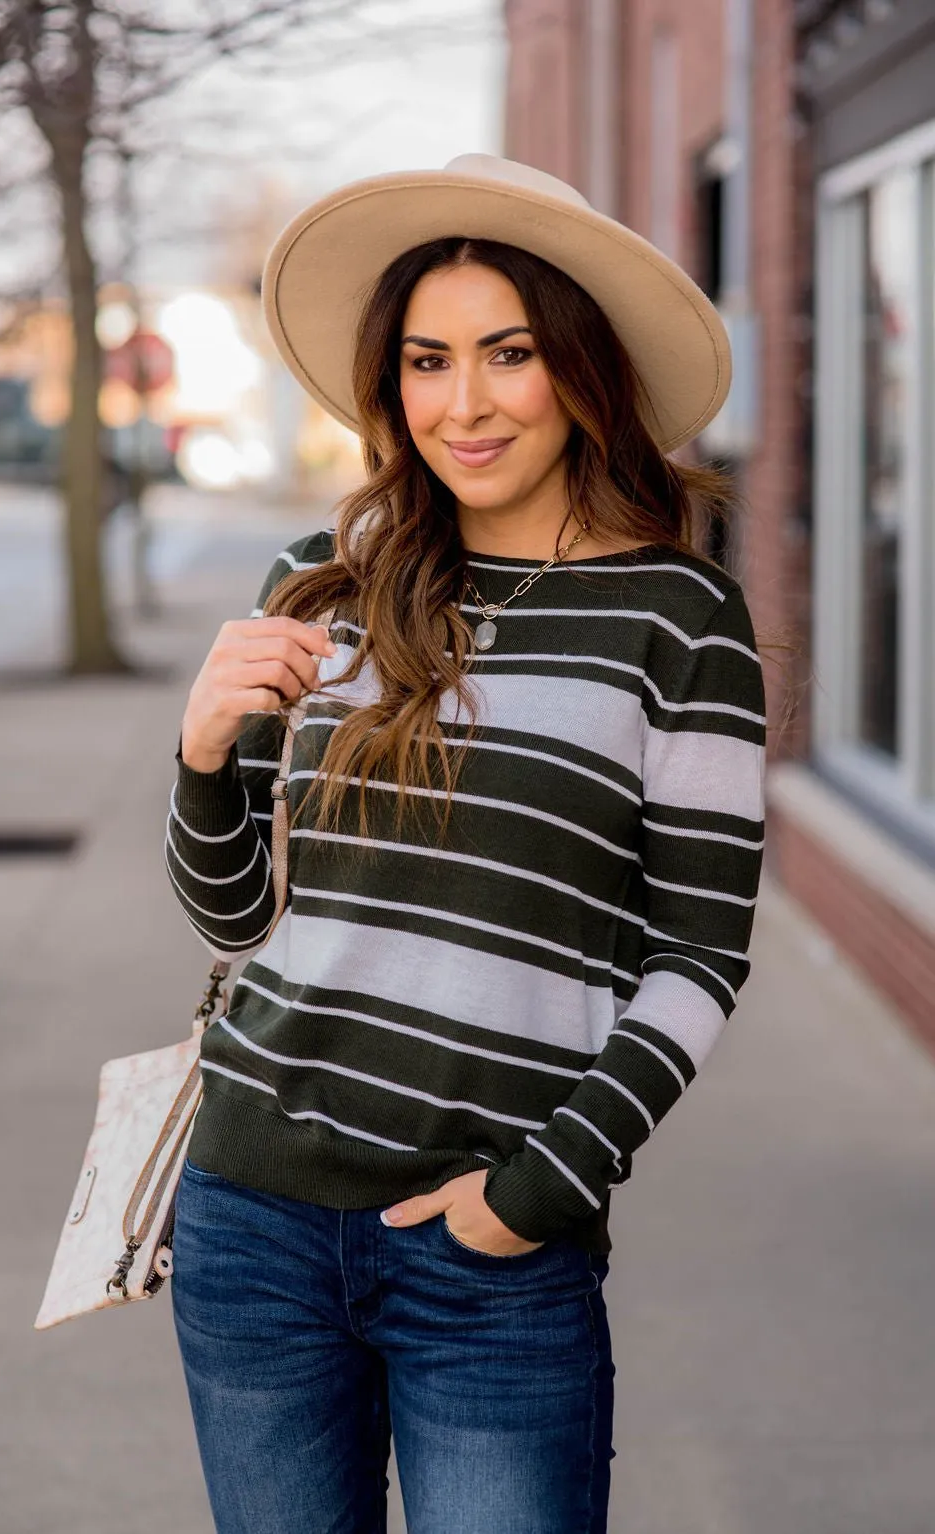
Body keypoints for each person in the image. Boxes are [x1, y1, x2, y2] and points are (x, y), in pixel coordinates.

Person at [164, 154, 766, 1534]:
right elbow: (237, 914)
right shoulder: (322, 583)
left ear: (580, 368)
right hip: (250, 1218)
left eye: (510, 353)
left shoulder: (677, 619)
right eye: (429, 361)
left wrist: (543, 1188)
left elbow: (697, 954)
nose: (466, 402)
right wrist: (201, 753)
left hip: (490, 1248)